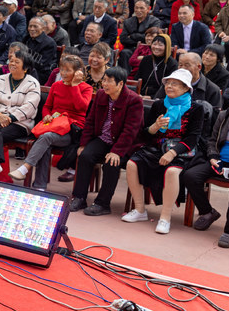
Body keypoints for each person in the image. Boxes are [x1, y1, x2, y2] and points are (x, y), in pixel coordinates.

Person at [122, 69, 203, 234]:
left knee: (172, 171)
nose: (170, 86)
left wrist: (172, 153)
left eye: (175, 84)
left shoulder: (196, 108)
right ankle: (139, 210)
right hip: (159, 147)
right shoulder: (159, 104)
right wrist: (155, 126)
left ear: (186, 88)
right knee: (132, 164)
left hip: (182, 150)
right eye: (168, 83)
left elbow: (193, 138)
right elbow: (146, 134)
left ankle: (165, 217)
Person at [69, 67, 143, 215]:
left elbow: (131, 130)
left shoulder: (134, 100)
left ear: (121, 84)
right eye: (104, 80)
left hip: (125, 144)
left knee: (111, 163)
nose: (105, 84)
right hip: (103, 139)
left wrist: (117, 151)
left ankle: (102, 203)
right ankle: (79, 197)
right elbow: (90, 121)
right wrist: (84, 143)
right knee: (85, 156)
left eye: (109, 81)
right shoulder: (101, 95)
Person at [10, 55, 91, 188]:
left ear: (77, 72)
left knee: (46, 138)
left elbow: (81, 107)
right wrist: (47, 115)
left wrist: (75, 86)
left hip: (71, 130)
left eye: (67, 70)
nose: (63, 73)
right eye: (62, 70)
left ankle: (25, 168)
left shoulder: (85, 88)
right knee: (45, 143)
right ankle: (39, 187)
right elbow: (47, 107)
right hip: (54, 125)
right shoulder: (56, 85)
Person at [181, 82, 229, 247]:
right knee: (191, 175)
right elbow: (212, 140)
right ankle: (208, 212)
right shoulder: (225, 115)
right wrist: (213, 156)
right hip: (222, 161)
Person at [0, 51, 41, 177]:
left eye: (17, 62)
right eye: (11, 61)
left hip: (19, 123)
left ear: (26, 67)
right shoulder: (1, 79)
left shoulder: (33, 83)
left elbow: (30, 107)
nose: (12, 63)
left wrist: (10, 118)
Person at [117, 0, 162, 70]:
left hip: (148, 49)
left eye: (141, 8)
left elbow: (153, 38)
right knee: (124, 53)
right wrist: (141, 38)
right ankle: (126, 77)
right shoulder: (128, 21)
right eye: (136, 8)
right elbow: (123, 39)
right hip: (131, 48)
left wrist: (132, 36)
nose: (138, 10)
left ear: (148, 9)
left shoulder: (154, 21)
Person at [135, 32, 176, 98]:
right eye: (154, 44)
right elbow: (137, 79)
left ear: (167, 47)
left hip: (159, 98)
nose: (156, 47)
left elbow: (169, 87)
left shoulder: (171, 64)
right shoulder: (146, 59)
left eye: (160, 45)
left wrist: (152, 97)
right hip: (140, 95)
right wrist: (137, 94)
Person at [22, 16, 58, 84]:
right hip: (26, 69)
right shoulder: (26, 39)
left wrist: (23, 62)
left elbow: (41, 64)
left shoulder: (49, 43)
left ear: (43, 28)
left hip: (41, 73)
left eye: (35, 26)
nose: (32, 29)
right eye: (30, 26)